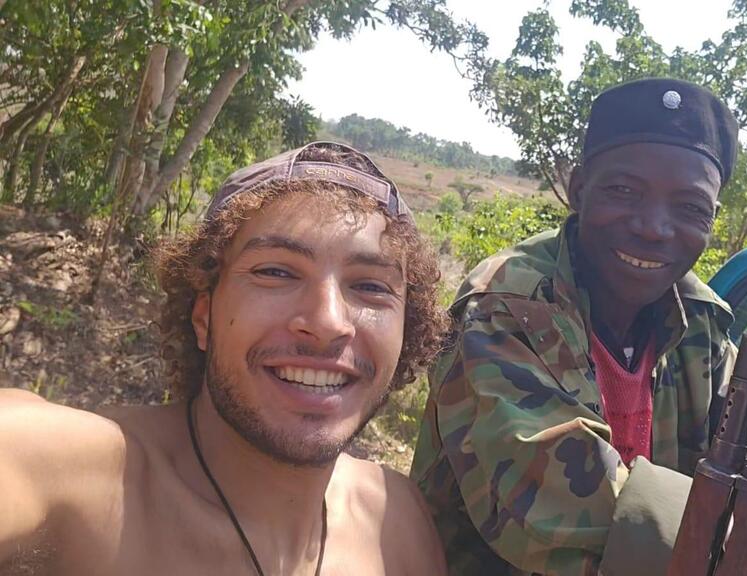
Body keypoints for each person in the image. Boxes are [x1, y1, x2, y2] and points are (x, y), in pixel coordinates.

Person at [411, 79, 747, 575]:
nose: (654, 228)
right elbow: (559, 501)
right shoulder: (509, 304)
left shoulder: (696, 317)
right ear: (578, 189)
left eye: (689, 207)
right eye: (624, 191)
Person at [0, 142, 448, 575]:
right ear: (204, 316)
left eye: (370, 286)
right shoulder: (72, 477)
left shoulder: (399, 524)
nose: (329, 321)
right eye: (275, 272)